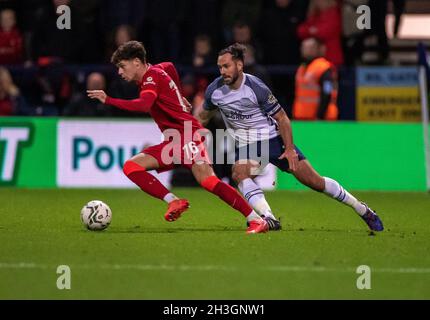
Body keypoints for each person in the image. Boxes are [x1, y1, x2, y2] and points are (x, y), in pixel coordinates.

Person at [195, 43, 384, 232]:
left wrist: (289, 149)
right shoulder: (215, 90)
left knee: (315, 182)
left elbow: (282, 118)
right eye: (220, 67)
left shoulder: (256, 87)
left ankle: (361, 208)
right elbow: (202, 116)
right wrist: (189, 133)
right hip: (247, 144)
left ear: (239, 65)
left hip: (272, 140)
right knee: (239, 173)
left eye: (226, 66)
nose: (222, 71)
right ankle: (268, 217)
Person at [87, 41, 269, 234]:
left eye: (122, 66)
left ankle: (256, 219)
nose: (120, 72)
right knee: (132, 166)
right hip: (174, 141)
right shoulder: (157, 70)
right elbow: (170, 66)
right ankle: (174, 201)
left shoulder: (151, 78)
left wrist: (109, 100)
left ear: (137, 62)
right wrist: (180, 96)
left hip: (187, 135)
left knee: (208, 181)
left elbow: (143, 105)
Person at [293, 37, 338, 120]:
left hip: (321, 119)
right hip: (302, 117)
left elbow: (327, 92)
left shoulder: (324, 67)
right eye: (303, 47)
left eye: (310, 47)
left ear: (318, 49)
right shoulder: (302, 68)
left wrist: (320, 116)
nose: (305, 50)